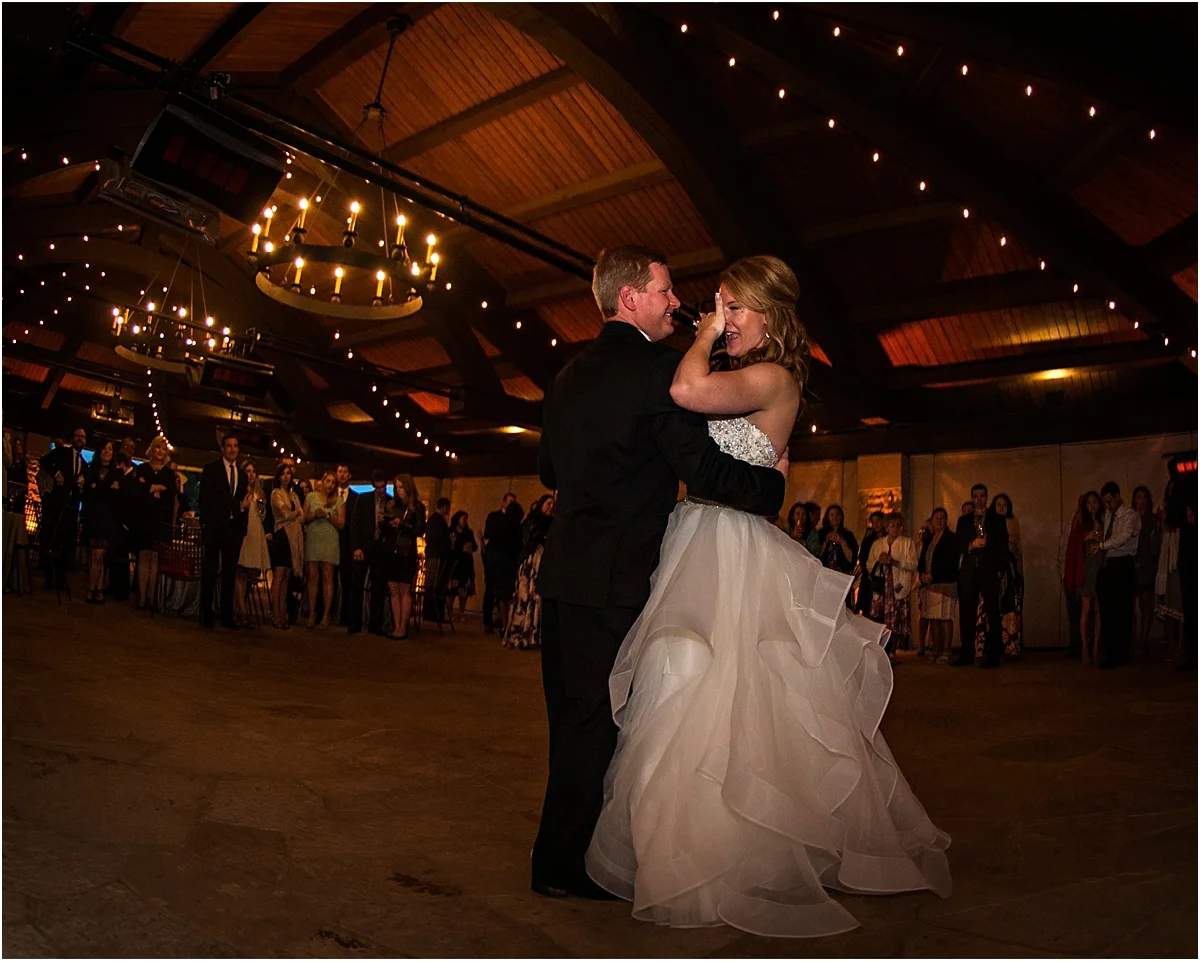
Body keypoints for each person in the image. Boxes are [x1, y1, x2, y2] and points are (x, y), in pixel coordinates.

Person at [577, 251, 949, 934]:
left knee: (739, 692)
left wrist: (699, 335)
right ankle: (684, 850)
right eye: (718, 306)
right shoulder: (742, 375)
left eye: (734, 307)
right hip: (695, 536)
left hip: (733, 547)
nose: (722, 318)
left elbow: (685, 390)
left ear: (770, 317)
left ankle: (746, 854)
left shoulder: (773, 376)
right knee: (683, 683)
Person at [534, 246, 789, 904]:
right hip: (617, 574)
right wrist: (771, 489)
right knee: (600, 719)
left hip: (561, 572)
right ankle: (567, 865)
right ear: (630, 298)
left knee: (570, 717)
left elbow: (548, 470)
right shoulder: (657, 371)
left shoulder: (565, 377)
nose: (677, 302)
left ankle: (557, 852)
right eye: (666, 290)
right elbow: (701, 469)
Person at [953, 483, 1007, 668]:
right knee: (967, 613)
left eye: (982, 496)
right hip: (970, 572)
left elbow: (1003, 546)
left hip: (989, 571)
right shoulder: (964, 521)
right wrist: (971, 545)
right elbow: (957, 545)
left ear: (986, 497)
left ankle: (994, 654)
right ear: (972, 498)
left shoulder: (997, 520)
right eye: (975, 496)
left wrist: (999, 570)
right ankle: (966, 654)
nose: (979, 499)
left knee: (993, 612)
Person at [198, 435, 249, 630]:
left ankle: (227, 616)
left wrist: (242, 527)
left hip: (233, 530)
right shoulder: (211, 469)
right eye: (229, 446)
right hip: (214, 527)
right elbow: (205, 500)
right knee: (210, 571)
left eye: (235, 446)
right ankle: (207, 613)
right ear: (222, 448)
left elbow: (243, 502)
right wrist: (206, 523)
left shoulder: (242, 475)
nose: (232, 449)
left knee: (229, 573)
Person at [1092, 481, 1140, 668]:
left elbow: (1123, 537)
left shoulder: (1130, 515)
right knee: (1108, 611)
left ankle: (1120, 654)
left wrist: (1102, 545)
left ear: (1118, 497)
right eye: (1105, 502)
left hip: (1123, 564)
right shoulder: (1107, 515)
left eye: (1109, 501)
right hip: (1109, 564)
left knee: (1122, 611)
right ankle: (1111, 652)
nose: (1107, 506)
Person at [38, 426, 88, 590]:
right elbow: (44, 461)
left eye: (83, 436)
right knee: (53, 540)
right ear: (72, 438)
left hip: (72, 508)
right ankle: (49, 577)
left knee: (67, 543)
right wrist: (56, 473)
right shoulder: (62, 452)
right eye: (77, 435)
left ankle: (61, 579)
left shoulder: (84, 465)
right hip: (58, 505)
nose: (80, 438)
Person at [866, 511, 919, 661]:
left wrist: (894, 562)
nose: (895, 528)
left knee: (895, 619)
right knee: (879, 617)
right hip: (881, 586)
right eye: (892, 525)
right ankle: (880, 648)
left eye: (898, 525)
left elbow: (913, 563)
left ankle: (892, 650)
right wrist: (879, 561)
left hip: (898, 585)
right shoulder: (878, 543)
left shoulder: (907, 543)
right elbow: (869, 564)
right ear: (887, 527)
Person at [503, 493, 554, 649]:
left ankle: (534, 633)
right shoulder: (533, 520)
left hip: (543, 563)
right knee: (526, 597)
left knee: (538, 599)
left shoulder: (554, 521)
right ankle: (521, 632)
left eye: (553, 504)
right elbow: (528, 538)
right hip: (531, 562)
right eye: (548, 503)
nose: (551, 507)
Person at [378, 473, 425, 640]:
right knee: (393, 591)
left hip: (406, 552)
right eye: (396, 487)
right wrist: (384, 522)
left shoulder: (417, 507)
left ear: (408, 488)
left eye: (401, 487)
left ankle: (402, 627)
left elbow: (419, 530)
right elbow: (384, 530)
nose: (398, 490)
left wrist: (402, 525)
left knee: (404, 591)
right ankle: (396, 625)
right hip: (391, 550)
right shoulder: (391, 505)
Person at [133, 436, 177, 611]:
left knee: (155, 560)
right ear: (152, 449)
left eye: (163, 449)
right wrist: (156, 488)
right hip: (143, 519)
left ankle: (152, 598)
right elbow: (137, 493)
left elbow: (169, 499)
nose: (160, 451)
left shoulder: (169, 474)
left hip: (160, 522)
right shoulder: (142, 469)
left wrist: (149, 488)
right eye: (158, 447)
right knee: (144, 558)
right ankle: (142, 597)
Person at [347, 470, 391, 635]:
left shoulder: (391, 502)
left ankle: (375, 624)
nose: (380, 491)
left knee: (378, 587)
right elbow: (354, 524)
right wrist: (356, 547)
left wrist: (385, 523)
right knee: (357, 584)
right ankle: (355, 622)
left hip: (381, 548)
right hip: (364, 547)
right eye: (377, 487)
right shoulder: (364, 499)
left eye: (383, 487)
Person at [302, 471, 345, 629]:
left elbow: (341, 523)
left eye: (333, 482)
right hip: (314, 539)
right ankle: (312, 613)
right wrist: (315, 515)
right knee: (312, 577)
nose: (330, 485)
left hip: (329, 540)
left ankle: (326, 615)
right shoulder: (311, 497)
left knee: (328, 577)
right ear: (323, 481)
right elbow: (303, 518)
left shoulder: (338, 500)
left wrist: (327, 516)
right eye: (328, 481)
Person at [82, 440, 122, 603]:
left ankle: (92, 589)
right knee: (94, 555)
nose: (107, 451)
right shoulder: (91, 469)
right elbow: (87, 494)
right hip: (93, 517)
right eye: (104, 448)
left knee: (100, 555)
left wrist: (98, 488)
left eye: (110, 449)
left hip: (107, 519)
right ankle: (97, 589)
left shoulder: (117, 473)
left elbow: (115, 497)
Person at [233, 460, 271, 628]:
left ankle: (240, 606)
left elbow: (262, 516)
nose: (251, 474)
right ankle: (241, 610)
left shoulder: (259, 492)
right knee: (241, 571)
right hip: (245, 532)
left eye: (253, 471)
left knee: (251, 572)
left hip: (256, 532)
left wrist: (261, 508)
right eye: (248, 471)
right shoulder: (240, 489)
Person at [268, 462, 305, 630]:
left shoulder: (293, 495)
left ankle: (283, 613)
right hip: (282, 534)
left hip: (294, 536)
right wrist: (296, 514)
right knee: (279, 574)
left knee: (287, 576)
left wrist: (295, 514)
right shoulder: (276, 493)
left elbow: (301, 517)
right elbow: (286, 514)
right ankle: (275, 612)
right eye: (283, 473)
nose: (285, 476)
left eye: (288, 473)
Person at [1072, 490, 1105, 665]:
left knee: (1099, 610)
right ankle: (1085, 646)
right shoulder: (1081, 522)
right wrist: (1086, 537)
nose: (1092, 505)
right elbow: (1073, 541)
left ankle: (1096, 647)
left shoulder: (1105, 520)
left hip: (1101, 568)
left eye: (1095, 502)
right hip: (1086, 569)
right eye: (1089, 502)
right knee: (1086, 608)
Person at [482, 492, 519, 633]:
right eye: (509, 502)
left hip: (508, 559)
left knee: (505, 592)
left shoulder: (515, 520)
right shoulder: (494, 517)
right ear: (503, 503)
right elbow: (488, 533)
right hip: (495, 558)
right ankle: (487, 620)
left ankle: (503, 620)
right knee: (491, 589)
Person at [991, 493, 1023, 657]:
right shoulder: (990, 523)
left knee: (1009, 608)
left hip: (1009, 571)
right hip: (993, 570)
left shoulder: (1012, 522)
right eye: (998, 504)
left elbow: (1013, 546)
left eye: (1004, 505)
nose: (1002, 508)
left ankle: (1009, 646)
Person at [1131, 485, 1161, 655]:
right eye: (1138, 497)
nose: (1141, 501)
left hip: (1148, 566)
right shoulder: (1131, 518)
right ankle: (1132, 640)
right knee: (1130, 606)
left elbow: (1156, 546)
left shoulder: (1153, 520)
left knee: (1146, 605)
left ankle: (1143, 641)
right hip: (1133, 566)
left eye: (1144, 497)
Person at [333, 465, 358, 626]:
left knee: (347, 580)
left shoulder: (356, 497)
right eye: (339, 472)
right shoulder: (329, 495)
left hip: (348, 544)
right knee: (329, 580)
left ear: (350, 475)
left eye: (345, 472)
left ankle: (345, 615)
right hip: (330, 541)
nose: (342, 475)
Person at [423, 496, 452, 623]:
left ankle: (431, 613)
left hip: (434, 555)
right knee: (436, 585)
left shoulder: (433, 520)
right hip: (437, 556)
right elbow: (438, 538)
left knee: (433, 584)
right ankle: (434, 614)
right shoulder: (438, 521)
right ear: (444, 507)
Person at [446, 510, 477, 618]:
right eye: (463, 519)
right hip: (455, 563)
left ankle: (462, 611)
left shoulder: (468, 532)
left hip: (466, 563)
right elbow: (448, 547)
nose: (465, 521)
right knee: (451, 590)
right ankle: (449, 611)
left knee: (464, 589)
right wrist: (460, 548)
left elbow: (475, 546)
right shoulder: (451, 531)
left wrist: (470, 547)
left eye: (466, 519)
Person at [855, 510, 885, 615]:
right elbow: (862, 556)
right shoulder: (868, 539)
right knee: (867, 607)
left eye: (878, 521)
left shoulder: (888, 538)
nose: (876, 524)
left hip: (883, 578)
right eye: (873, 522)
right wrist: (868, 569)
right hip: (869, 577)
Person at [816, 503, 857, 575]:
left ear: (841, 517)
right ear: (827, 517)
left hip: (841, 573)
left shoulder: (848, 535)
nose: (835, 517)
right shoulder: (821, 534)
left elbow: (852, 559)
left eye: (837, 514)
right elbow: (816, 556)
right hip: (823, 572)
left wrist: (842, 542)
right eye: (832, 515)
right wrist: (826, 541)